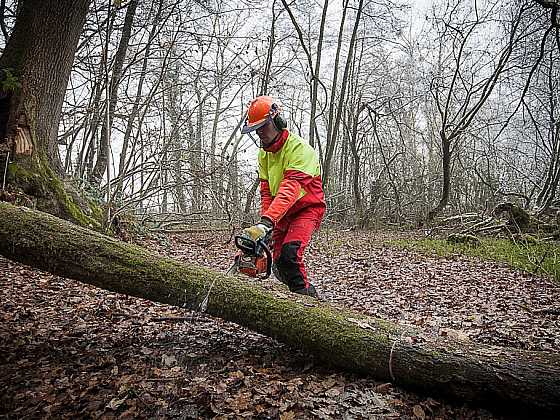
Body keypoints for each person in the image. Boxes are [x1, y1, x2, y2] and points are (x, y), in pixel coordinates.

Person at [240, 96, 326, 298]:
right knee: (278, 261)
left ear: (277, 121)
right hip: (282, 212)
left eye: (263, 127)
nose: (260, 133)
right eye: (256, 129)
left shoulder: (300, 149)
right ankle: (295, 292)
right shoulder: (264, 155)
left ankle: (307, 299)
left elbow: (291, 189)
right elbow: (266, 192)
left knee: (290, 254)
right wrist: (264, 226)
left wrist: (267, 222)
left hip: (306, 208)